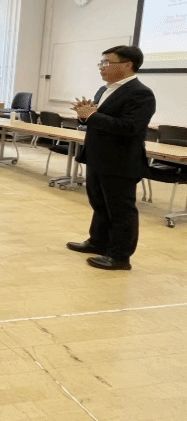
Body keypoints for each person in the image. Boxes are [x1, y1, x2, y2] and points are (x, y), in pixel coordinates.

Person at [66, 45, 156, 271]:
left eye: (107, 63)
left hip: (120, 161)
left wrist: (92, 116)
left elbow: (130, 127)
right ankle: (98, 242)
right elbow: (97, 120)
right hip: (97, 156)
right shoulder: (103, 90)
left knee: (120, 209)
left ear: (127, 65)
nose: (102, 67)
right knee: (99, 203)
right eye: (101, 63)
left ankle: (119, 257)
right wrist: (84, 116)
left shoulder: (141, 93)